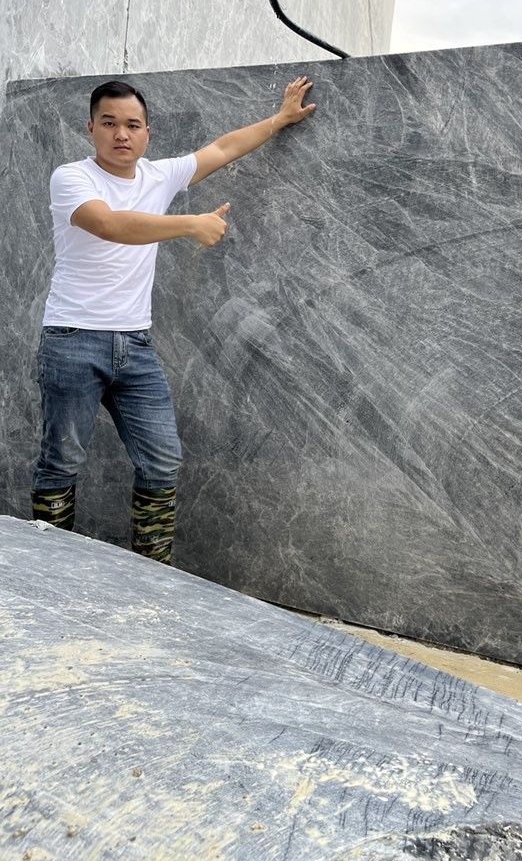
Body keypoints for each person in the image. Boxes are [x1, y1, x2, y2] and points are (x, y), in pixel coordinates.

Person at [31, 75, 316, 563]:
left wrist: (280, 119)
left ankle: (153, 574)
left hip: (135, 347)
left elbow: (222, 149)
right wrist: (191, 224)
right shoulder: (72, 177)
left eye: (132, 125)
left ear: (148, 132)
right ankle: (48, 571)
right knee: (63, 461)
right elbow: (108, 224)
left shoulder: (158, 176)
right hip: (73, 339)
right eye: (109, 123)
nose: (121, 134)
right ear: (91, 129)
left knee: (162, 460)